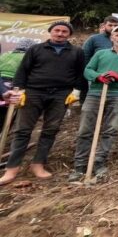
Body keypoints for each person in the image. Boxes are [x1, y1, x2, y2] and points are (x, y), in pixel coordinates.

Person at [0, 22, 85, 185]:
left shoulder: (77, 52)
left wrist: (76, 91)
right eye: (57, 30)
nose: (60, 34)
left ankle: (38, 164)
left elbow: (81, 74)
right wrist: (20, 90)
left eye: (64, 31)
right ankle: (12, 168)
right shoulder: (36, 49)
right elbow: (22, 70)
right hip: (33, 92)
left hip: (61, 94)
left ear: (69, 35)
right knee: (23, 130)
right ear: (50, 32)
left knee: (51, 129)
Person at [69, 26, 118, 182]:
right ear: (112, 37)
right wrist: (98, 77)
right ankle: (80, 165)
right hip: (95, 94)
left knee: (110, 129)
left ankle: (99, 162)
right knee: (85, 130)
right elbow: (87, 70)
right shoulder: (101, 54)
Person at [81, 16, 118, 103]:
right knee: (95, 101)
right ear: (104, 25)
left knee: (113, 102)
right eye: (110, 25)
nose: (113, 28)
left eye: (116, 25)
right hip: (97, 76)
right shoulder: (94, 39)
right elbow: (85, 56)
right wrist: (91, 73)